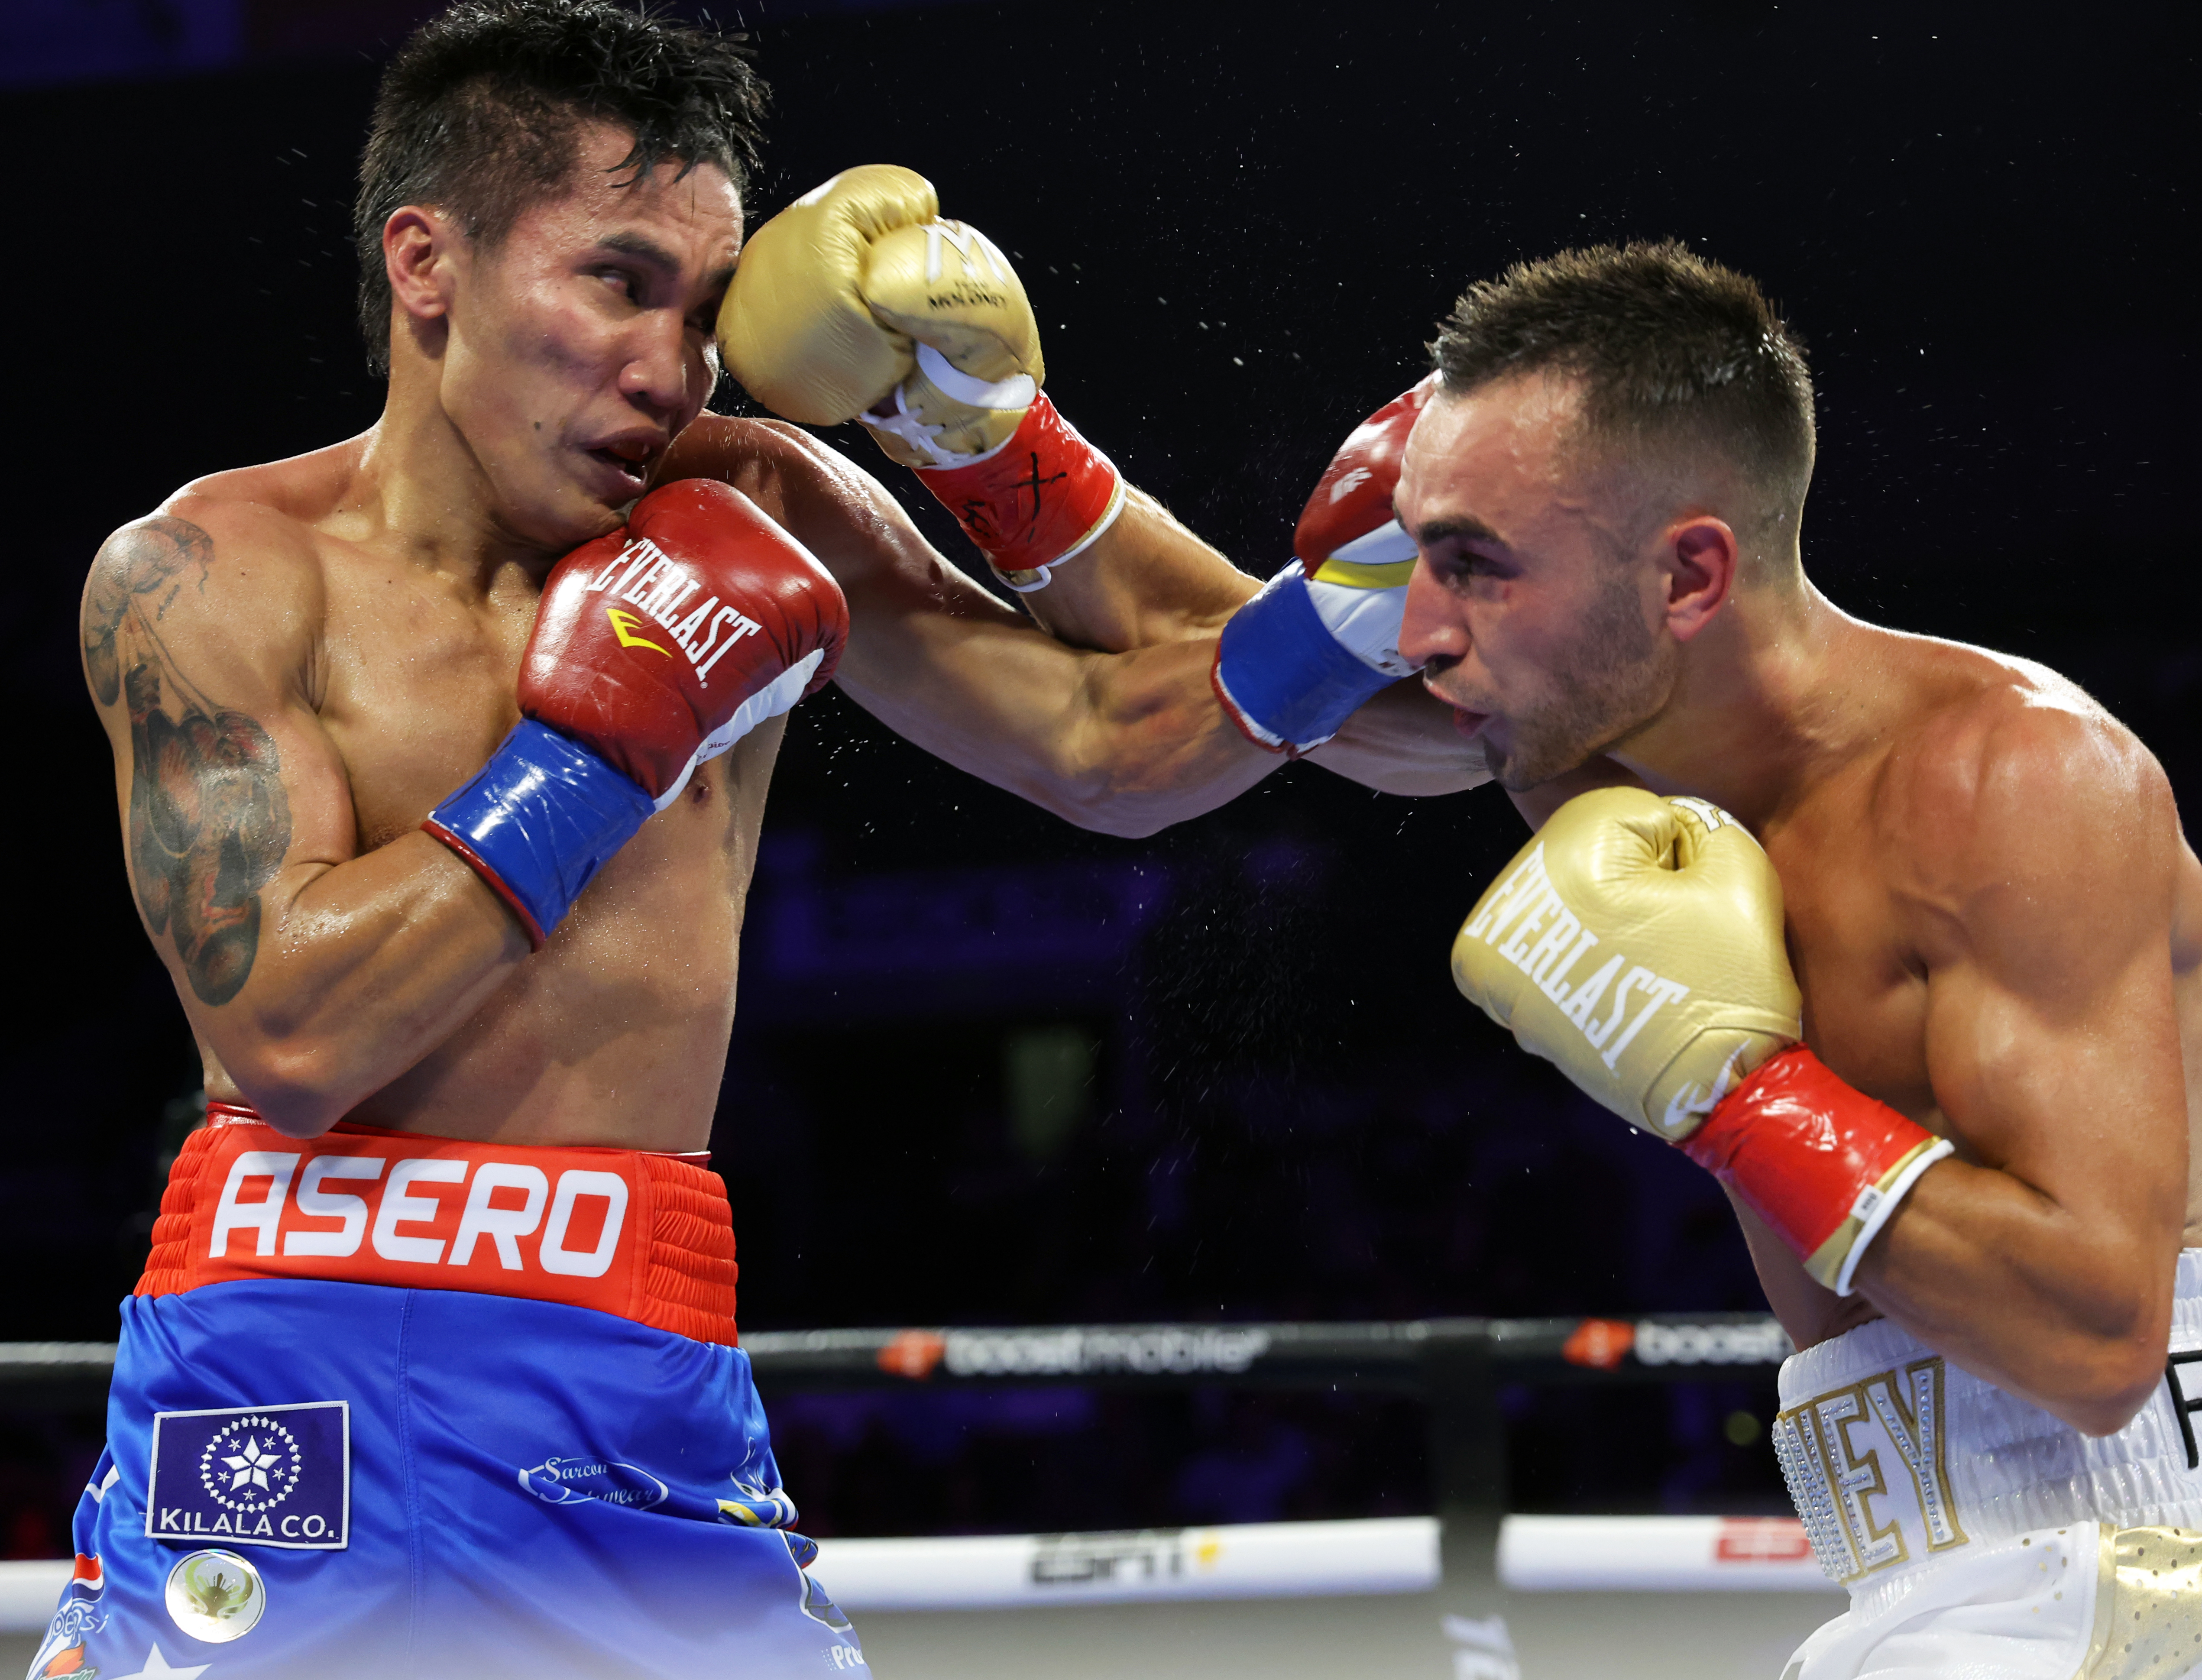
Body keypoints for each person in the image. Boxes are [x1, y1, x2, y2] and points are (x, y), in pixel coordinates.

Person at [54, 4, 1479, 1677]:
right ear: (426, 263)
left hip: (633, 1367)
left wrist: (1011, 450)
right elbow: (289, 1032)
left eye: (707, 307)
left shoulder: (748, 505)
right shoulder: (210, 575)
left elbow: (1123, 749)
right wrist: (597, 748)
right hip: (285, 1372)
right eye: (617, 281)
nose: (672, 367)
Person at [1419, 243, 2202, 1675]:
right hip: (1936, 1583)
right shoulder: (1575, 729)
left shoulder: (2015, 781)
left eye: (1473, 567)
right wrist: (992, 449)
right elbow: (1149, 729)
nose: (1419, 631)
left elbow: (2099, 1342)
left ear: (1689, 576)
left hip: (2167, 1562)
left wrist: (1736, 1098)